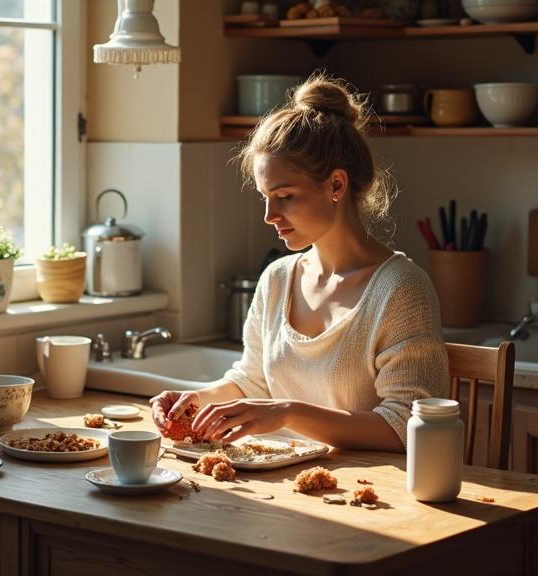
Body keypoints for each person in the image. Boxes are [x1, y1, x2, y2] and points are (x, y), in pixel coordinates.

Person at [150, 73, 449, 452]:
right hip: (283, 491)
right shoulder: (277, 280)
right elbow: (253, 382)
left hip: (371, 499)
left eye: (284, 196)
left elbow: (407, 424)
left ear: (336, 186)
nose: (269, 215)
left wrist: (288, 413)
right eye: (264, 197)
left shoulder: (401, 289)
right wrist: (193, 401)